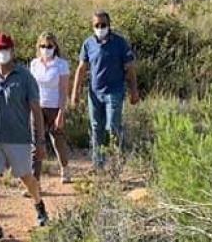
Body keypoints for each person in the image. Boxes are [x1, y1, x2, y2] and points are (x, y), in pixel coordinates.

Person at [0, 33, 49, 242]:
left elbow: (36, 111)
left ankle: (39, 203)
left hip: (19, 139)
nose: (2, 53)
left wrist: (40, 141)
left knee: (26, 177)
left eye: (5, 48)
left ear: (13, 50)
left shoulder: (25, 77)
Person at [70, 11, 139, 171]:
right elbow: (82, 68)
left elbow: (130, 69)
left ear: (109, 25)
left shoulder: (120, 43)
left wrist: (134, 91)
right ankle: (98, 164)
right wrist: (75, 92)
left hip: (114, 91)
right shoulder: (88, 44)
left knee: (113, 127)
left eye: (103, 25)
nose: (100, 28)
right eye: (97, 25)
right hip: (95, 93)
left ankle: (116, 163)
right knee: (96, 127)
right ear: (92, 26)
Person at [29, 33, 73, 183]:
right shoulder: (34, 64)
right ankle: (35, 179)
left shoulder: (61, 64)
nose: (46, 49)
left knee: (58, 140)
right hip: (37, 107)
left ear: (55, 47)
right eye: (43, 46)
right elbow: (31, 87)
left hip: (54, 107)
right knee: (36, 142)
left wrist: (61, 111)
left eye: (49, 46)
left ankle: (65, 168)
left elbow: (63, 90)